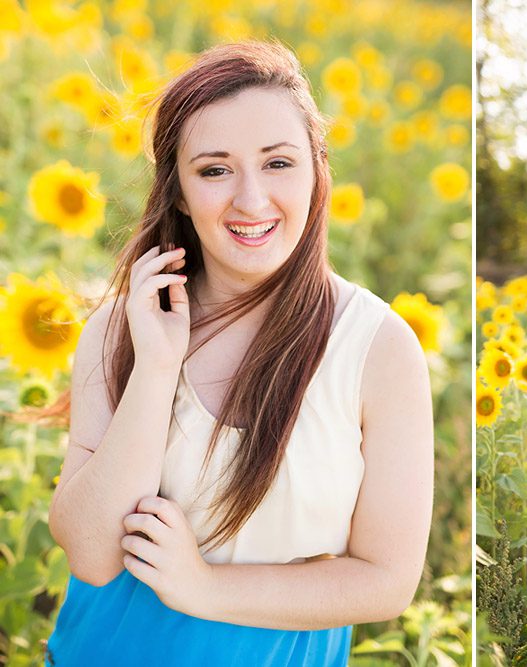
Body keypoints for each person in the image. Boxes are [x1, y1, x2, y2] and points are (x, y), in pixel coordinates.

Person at [45, 41, 434, 667]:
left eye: (278, 163)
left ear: (317, 171)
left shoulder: (379, 350)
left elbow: (386, 581)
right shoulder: (122, 328)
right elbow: (91, 555)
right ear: (178, 191)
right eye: (215, 170)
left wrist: (204, 587)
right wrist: (157, 368)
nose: (251, 200)